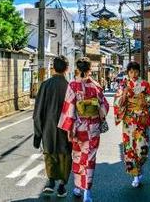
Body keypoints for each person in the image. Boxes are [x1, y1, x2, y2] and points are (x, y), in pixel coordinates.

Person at [58, 57, 109, 202]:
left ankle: (77, 187)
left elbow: (69, 108)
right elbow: (104, 106)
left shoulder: (73, 85)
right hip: (93, 128)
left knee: (78, 157)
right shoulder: (96, 85)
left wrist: (69, 129)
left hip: (78, 128)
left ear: (77, 69)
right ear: (89, 70)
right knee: (90, 159)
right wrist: (98, 113)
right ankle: (87, 190)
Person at [33, 56, 72, 198]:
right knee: (65, 156)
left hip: (47, 128)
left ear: (53, 68)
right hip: (65, 128)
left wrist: (37, 133)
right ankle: (62, 185)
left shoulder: (45, 85)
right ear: (67, 69)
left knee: (49, 154)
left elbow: (37, 112)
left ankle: (50, 182)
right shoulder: (69, 87)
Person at [113, 62, 150, 188]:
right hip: (129, 121)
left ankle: (140, 166)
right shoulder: (123, 84)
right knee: (130, 147)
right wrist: (124, 94)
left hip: (141, 119)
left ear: (139, 72)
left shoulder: (145, 84)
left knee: (142, 147)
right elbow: (117, 102)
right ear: (128, 73)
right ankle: (135, 175)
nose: (134, 74)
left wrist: (144, 101)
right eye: (131, 72)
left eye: (136, 71)